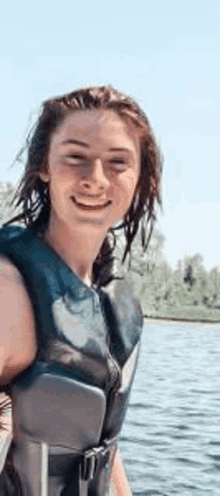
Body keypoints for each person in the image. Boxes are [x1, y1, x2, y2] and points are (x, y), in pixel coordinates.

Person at [0, 85, 162, 495]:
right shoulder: (10, 290)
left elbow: (102, 444)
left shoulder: (115, 303)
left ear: (141, 177)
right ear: (44, 167)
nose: (95, 179)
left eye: (118, 162)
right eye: (76, 157)